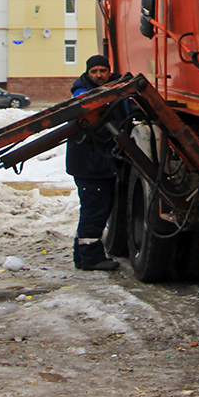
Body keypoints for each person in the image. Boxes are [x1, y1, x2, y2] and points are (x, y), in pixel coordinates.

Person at [67, 54, 122, 271]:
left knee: (93, 209)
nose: (99, 75)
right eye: (94, 71)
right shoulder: (83, 94)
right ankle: (90, 257)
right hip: (89, 165)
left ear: (109, 71)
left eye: (102, 70)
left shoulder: (117, 88)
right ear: (87, 74)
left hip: (98, 164)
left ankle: (81, 255)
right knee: (95, 210)